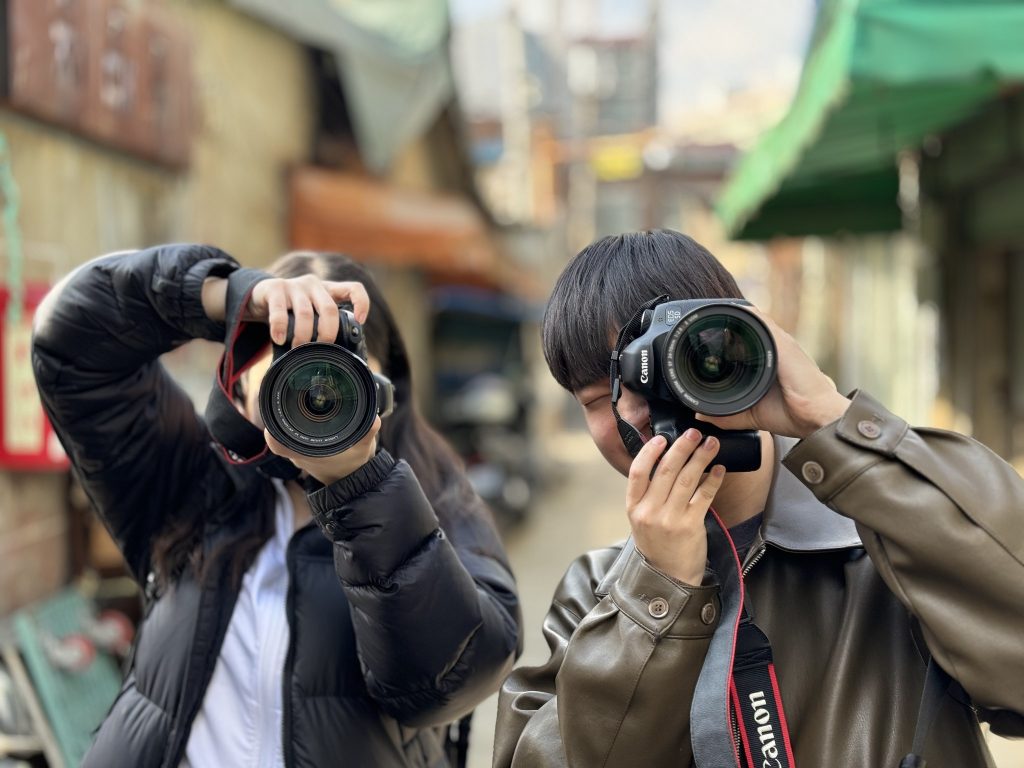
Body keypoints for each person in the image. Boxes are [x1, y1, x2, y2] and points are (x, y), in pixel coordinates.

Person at [493, 229, 1024, 767]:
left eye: (662, 373)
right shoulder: (596, 592)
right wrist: (655, 595)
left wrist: (836, 423)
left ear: (738, 348)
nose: (635, 414)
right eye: (596, 399)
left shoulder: (887, 532)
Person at [31, 244, 522, 768]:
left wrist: (362, 488)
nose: (316, 390)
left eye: (339, 368)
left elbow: (453, 679)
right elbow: (69, 338)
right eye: (290, 362)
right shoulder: (184, 481)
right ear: (239, 381)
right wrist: (228, 296)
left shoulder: (436, 503)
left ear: (382, 391)